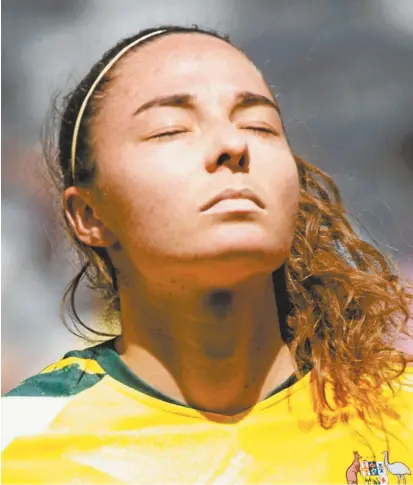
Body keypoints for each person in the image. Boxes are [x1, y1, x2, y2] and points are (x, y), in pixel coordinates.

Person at [2, 25, 412, 485]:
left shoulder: (400, 416)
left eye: (260, 126)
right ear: (89, 215)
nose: (233, 146)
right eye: (171, 129)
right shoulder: (18, 448)